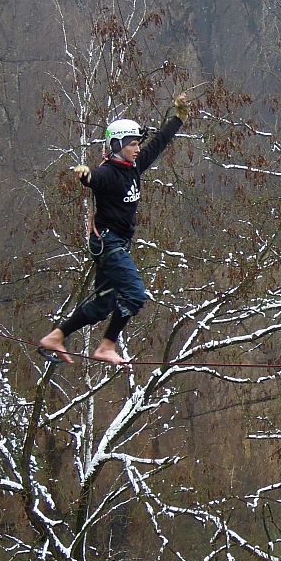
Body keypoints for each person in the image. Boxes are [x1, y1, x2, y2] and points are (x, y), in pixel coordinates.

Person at [39, 92, 193, 366]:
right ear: (118, 144)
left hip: (118, 243)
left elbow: (159, 143)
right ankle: (107, 346)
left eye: (137, 144)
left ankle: (57, 336)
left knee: (104, 303)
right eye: (132, 144)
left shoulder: (133, 168)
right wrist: (85, 173)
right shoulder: (108, 173)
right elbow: (93, 178)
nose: (137, 149)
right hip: (108, 243)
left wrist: (179, 117)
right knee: (134, 294)